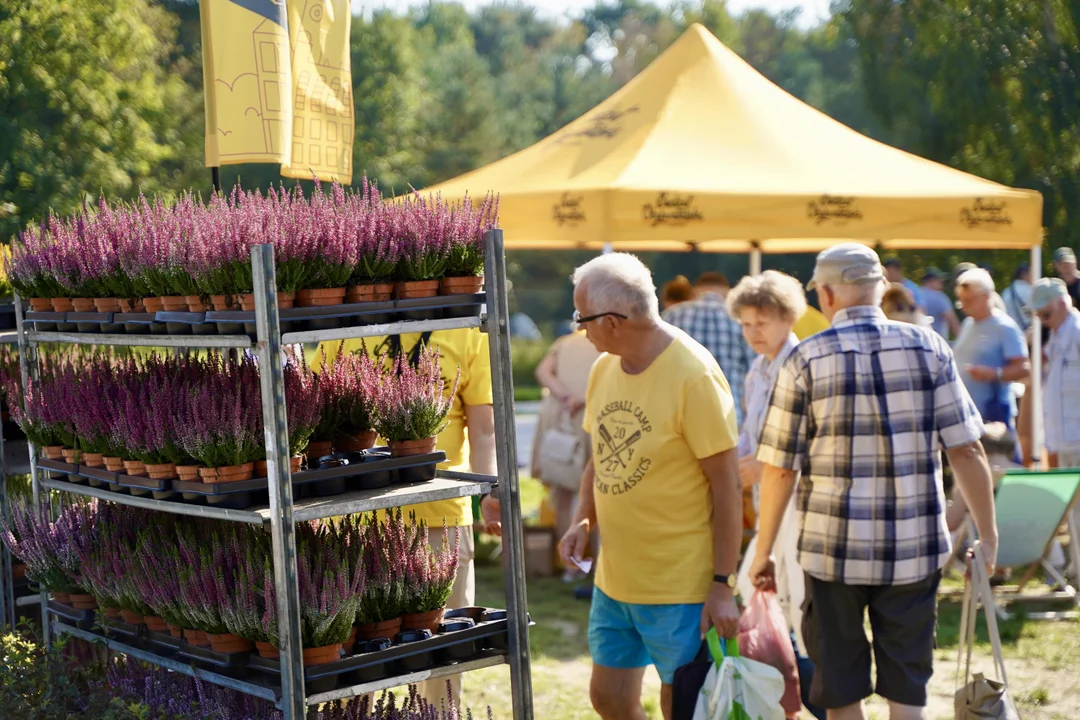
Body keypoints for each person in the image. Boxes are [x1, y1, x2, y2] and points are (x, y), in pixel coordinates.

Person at [749, 243, 999, 720]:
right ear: (881, 287)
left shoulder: (803, 359)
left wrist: (763, 553)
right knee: (908, 692)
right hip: (914, 548)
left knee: (841, 693)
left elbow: (780, 468)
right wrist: (987, 537)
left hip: (831, 551)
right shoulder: (930, 347)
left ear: (825, 294)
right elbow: (967, 449)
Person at [557, 253, 742, 720]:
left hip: (680, 584)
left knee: (679, 705)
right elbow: (600, 456)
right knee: (610, 699)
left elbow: (728, 488)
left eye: (582, 318)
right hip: (615, 579)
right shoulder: (605, 367)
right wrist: (585, 516)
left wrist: (722, 584)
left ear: (614, 321)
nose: (580, 329)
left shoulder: (693, 376)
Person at [314, 329, 500, 706]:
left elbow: (484, 429)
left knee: (443, 648)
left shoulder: (466, 331)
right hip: (355, 518)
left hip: (440, 518)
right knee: (351, 647)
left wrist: (492, 491)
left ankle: (437, 714)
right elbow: (314, 417)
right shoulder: (343, 330)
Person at [726, 270, 825, 720]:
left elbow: (810, 443)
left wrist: (758, 466)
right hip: (768, 502)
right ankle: (780, 696)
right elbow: (751, 434)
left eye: (762, 322)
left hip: (803, 504)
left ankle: (812, 698)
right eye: (746, 324)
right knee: (759, 595)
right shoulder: (757, 369)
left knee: (798, 602)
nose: (753, 333)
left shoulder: (803, 363)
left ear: (789, 317)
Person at [531, 328, 602, 579]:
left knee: (563, 494)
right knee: (596, 493)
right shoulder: (606, 343)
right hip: (588, 417)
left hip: (561, 415)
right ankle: (595, 564)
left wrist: (564, 395)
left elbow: (543, 372)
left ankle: (571, 564)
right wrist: (581, 398)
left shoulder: (564, 343)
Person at [1030, 278, 1080, 577]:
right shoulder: (1057, 336)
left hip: (1077, 437)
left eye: (1045, 314)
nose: (1041, 321)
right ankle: (1076, 567)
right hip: (1063, 440)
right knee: (1072, 512)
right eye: (1038, 316)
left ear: (1063, 303)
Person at [663, 270, 756, 424]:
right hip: (729, 415)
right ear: (728, 293)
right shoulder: (742, 320)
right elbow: (754, 372)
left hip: (679, 416)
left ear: (695, 290)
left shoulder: (672, 315)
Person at [952, 268, 1030, 431]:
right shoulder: (968, 324)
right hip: (967, 413)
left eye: (969, 300)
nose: (965, 306)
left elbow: (1023, 368)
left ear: (986, 296)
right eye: (961, 301)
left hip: (993, 416)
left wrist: (993, 374)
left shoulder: (1005, 327)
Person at [920, 267, 961, 339]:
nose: (942, 281)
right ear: (930, 281)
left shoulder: (915, 295)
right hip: (938, 342)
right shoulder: (940, 297)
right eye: (939, 280)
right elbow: (952, 322)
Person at [1000, 263, 1032, 331]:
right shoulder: (1029, 291)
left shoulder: (1006, 292)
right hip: (1028, 334)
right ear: (1024, 274)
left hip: (1010, 332)